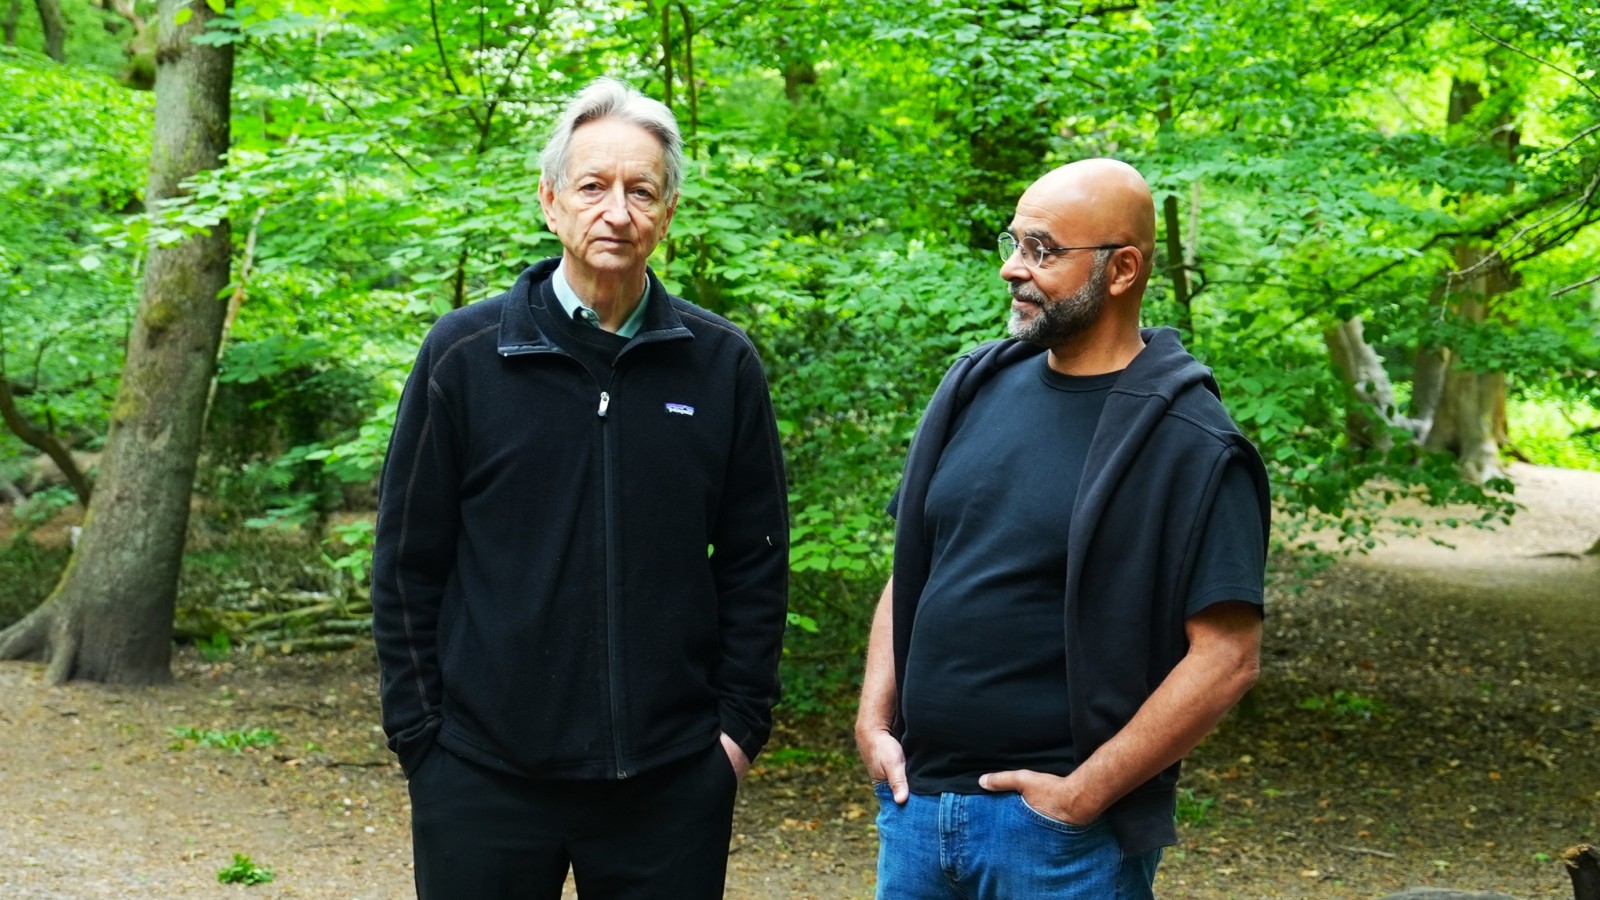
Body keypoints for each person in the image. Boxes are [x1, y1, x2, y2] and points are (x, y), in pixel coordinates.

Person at [371, 77, 790, 900]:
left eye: (642, 190)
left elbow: (754, 562)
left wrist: (736, 733)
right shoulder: (465, 356)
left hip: (670, 784)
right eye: (593, 186)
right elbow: (406, 561)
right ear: (551, 201)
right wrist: (421, 738)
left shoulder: (721, 365)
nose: (618, 211)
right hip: (482, 776)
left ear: (666, 213)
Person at [855, 158, 1269, 898]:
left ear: (1122, 270)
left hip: (1061, 843)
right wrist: (874, 720)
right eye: (1013, 243)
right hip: (918, 813)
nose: (1014, 268)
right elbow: (917, 566)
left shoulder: (1191, 442)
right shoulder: (973, 388)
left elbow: (1227, 657)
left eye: (1043, 250)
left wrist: (1080, 797)